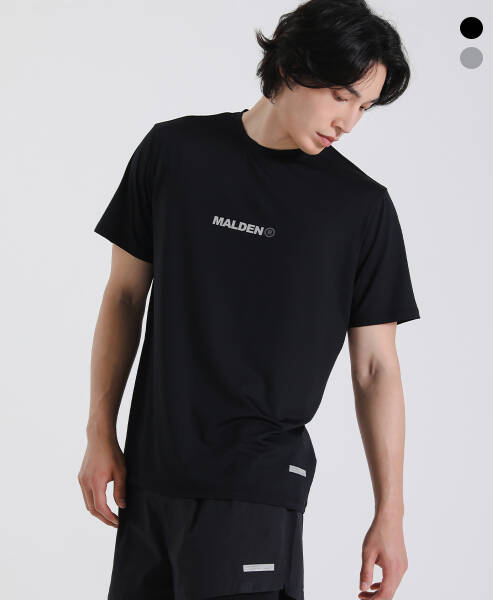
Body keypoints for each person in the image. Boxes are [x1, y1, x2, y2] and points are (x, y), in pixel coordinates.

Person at [78, 1, 420, 599]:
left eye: (364, 107)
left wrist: (389, 512)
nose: (348, 122)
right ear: (291, 64)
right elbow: (125, 297)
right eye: (341, 95)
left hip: (255, 484)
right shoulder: (174, 152)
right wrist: (99, 431)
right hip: (150, 480)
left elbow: (375, 367)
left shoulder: (360, 208)